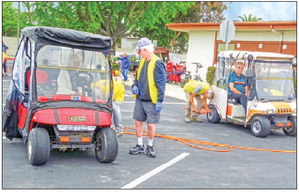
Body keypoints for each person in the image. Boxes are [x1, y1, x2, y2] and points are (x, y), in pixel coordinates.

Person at [129, 38, 166, 158]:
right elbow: (137, 78)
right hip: (140, 98)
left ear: (145, 50)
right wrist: (135, 86)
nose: (139, 54)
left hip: (151, 100)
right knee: (138, 122)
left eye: (139, 51)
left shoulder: (157, 63)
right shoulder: (142, 62)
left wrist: (160, 100)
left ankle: (150, 146)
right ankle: (140, 145)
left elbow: (161, 83)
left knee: (150, 124)